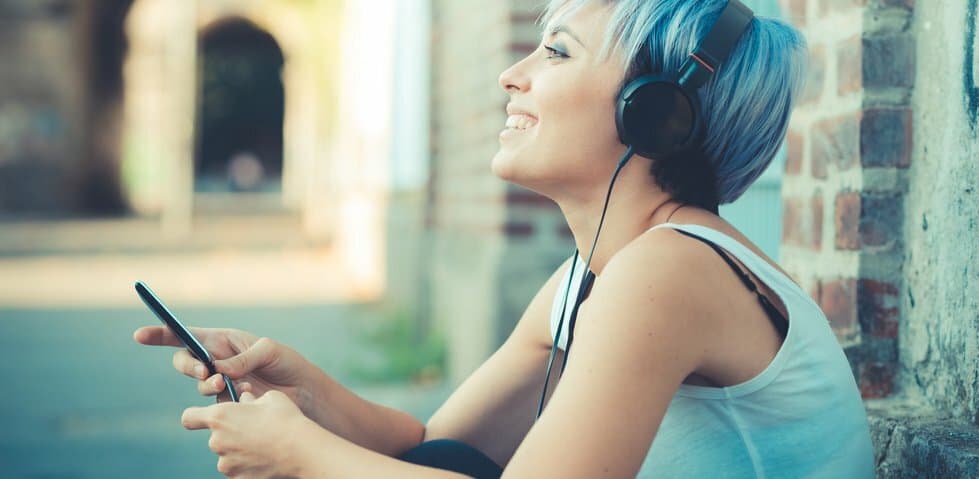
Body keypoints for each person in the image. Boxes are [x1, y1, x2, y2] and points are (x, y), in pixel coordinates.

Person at [134, 0, 877, 477]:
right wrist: (304, 393)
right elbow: (436, 444)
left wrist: (300, 456)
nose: (509, 75)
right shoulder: (590, 277)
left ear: (654, 112)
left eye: (553, 52)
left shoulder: (668, 272)